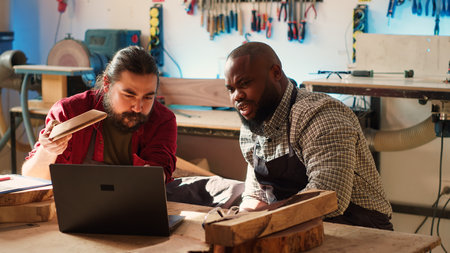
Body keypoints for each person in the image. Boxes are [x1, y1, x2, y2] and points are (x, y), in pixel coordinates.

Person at [224, 42, 393, 230]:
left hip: (358, 228)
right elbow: (256, 195)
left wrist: (258, 218)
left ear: (276, 73)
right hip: (294, 224)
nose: (237, 96)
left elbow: (327, 198)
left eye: (245, 83)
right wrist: (241, 221)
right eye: (231, 89)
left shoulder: (319, 115)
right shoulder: (252, 127)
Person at [22, 46, 177, 183]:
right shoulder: (70, 112)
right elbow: (32, 177)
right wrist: (48, 150)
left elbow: (160, 173)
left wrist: (153, 175)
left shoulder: (162, 120)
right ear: (107, 84)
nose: (138, 107)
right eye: (129, 95)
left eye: (148, 97)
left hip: (135, 205)